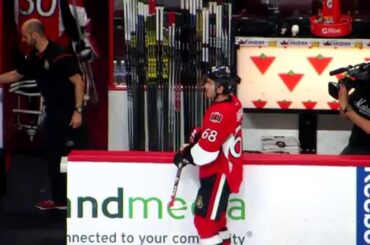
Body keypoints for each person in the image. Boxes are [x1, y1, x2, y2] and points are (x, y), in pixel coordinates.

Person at [0, 18, 86, 210]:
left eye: (25, 36)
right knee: (52, 157)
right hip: (52, 114)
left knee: (75, 158)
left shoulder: (60, 54)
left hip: (70, 113)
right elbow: (16, 74)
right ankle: (59, 200)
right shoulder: (34, 57)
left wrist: (78, 111)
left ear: (35, 35)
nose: (23, 40)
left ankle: (83, 200)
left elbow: (78, 82)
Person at [174, 65, 243, 245]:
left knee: (204, 222)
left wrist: (186, 155)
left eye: (209, 83)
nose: (205, 86)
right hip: (226, 170)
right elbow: (217, 136)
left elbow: (206, 152)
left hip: (218, 172)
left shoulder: (219, 112)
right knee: (218, 221)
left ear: (221, 88)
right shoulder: (234, 103)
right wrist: (202, 134)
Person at [338, 81, 370, 155]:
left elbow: (369, 128)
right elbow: (345, 115)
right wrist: (344, 93)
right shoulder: (364, 87)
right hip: (354, 146)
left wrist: (346, 108)